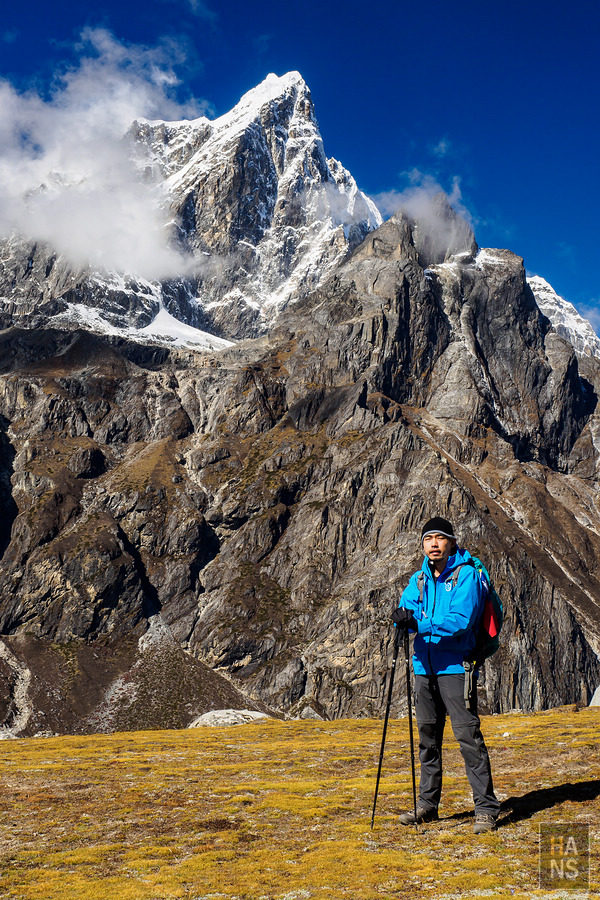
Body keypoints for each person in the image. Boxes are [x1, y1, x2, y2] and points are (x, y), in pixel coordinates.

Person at [392, 516, 500, 834]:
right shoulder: (420, 579)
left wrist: (418, 624)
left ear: (452, 541)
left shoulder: (465, 576)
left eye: (440, 538)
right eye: (429, 539)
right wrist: (401, 615)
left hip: (455, 667)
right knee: (428, 739)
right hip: (424, 669)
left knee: (468, 737)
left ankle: (486, 809)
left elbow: (460, 621)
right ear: (423, 545)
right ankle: (427, 806)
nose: (434, 544)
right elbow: (407, 606)